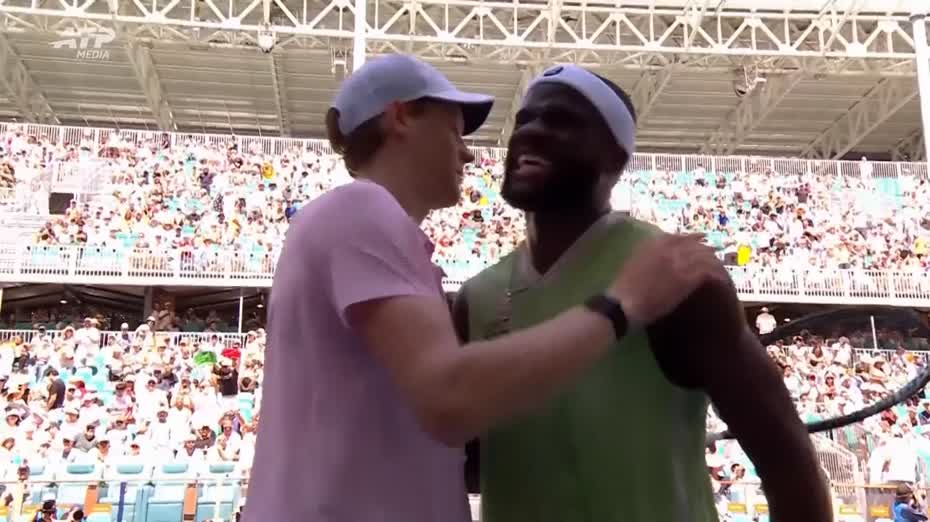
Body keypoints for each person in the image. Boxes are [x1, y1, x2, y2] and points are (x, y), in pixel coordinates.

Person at [243, 54, 725, 521]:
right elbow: (449, 399)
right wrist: (622, 304)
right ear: (401, 117)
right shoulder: (362, 210)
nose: (468, 152)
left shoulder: (374, 232)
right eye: (455, 131)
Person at [452, 64, 833, 522]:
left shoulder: (677, 274)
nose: (531, 132)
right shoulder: (477, 297)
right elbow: (473, 467)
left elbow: (787, 459)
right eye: (524, 120)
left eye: (561, 121)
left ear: (615, 158)